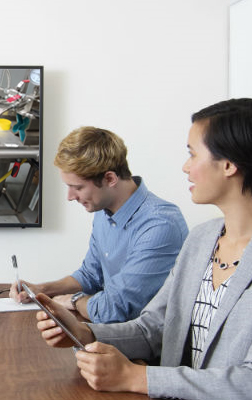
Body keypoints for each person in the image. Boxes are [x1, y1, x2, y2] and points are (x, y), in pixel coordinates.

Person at [33, 98, 252, 399]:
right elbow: (155, 327)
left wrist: (138, 377)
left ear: (228, 164)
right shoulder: (202, 240)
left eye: (193, 154)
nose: (185, 166)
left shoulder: (162, 223)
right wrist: (85, 333)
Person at [10, 127, 188, 322]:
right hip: (110, 333)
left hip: (142, 346)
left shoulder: (160, 225)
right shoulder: (104, 211)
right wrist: (40, 290)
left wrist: (75, 300)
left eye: (77, 187)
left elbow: (115, 308)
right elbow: (90, 276)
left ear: (110, 178)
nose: (70, 197)